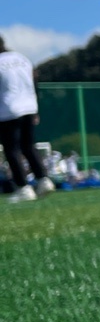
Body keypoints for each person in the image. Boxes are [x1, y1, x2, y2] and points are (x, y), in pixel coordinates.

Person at [0, 35, 55, 203]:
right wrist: (35, 108)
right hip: (29, 107)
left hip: (9, 110)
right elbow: (34, 82)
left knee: (12, 149)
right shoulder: (22, 59)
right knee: (29, 146)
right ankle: (43, 179)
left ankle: (23, 187)